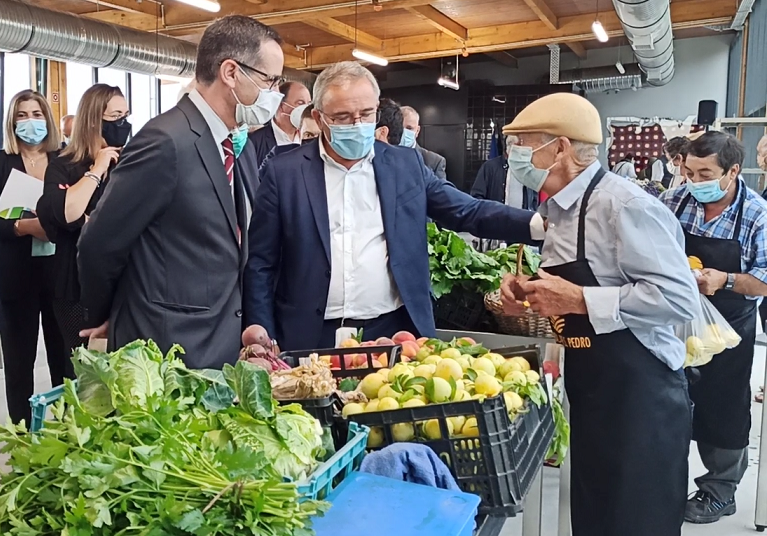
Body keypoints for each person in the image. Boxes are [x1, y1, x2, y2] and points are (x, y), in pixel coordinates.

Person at [500, 92, 699, 536]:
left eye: (523, 144)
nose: (513, 156)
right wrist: (529, 292)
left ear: (561, 147)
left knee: (635, 520)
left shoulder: (625, 205)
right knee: (594, 516)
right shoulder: (557, 209)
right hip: (593, 390)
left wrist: (579, 300)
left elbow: (679, 298)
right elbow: (579, 285)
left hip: (641, 398)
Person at [244, 61, 544, 352]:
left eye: (366, 114)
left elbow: (467, 211)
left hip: (393, 331)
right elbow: (261, 261)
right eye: (343, 117)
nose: (358, 125)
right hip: (310, 334)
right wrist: (260, 330)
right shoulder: (284, 172)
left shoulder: (405, 165)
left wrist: (540, 224)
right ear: (320, 118)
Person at [77, 15, 285, 370]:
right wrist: (115, 312)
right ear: (231, 73)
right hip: (167, 348)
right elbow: (100, 242)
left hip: (218, 343)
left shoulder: (236, 145)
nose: (274, 94)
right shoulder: (165, 141)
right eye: (270, 80)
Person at [659, 131, 767, 524]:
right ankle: (662, 482)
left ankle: (720, 491)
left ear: (732, 171)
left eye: (705, 174)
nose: (695, 182)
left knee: (723, 406)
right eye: (688, 172)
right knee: (667, 399)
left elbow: (765, 277)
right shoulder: (673, 201)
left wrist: (726, 280)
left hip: (728, 326)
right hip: (674, 318)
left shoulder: (756, 213)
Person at [36, 84, 129, 356]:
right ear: (93, 120)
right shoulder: (64, 165)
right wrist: (97, 170)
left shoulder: (130, 163)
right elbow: (68, 214)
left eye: (126, 115)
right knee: (82, 367)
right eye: (115, 117)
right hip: (75, 287)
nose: (123, 124)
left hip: (124, 283)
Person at [0, 90, 67, 424]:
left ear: (48, 120)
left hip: (61, 275)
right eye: (22, 116)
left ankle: (73, 427)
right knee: (18, 361)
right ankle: (23, 433)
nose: (30, 122)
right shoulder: (2, 162)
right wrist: (22, 227)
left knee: (66, 360)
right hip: (15, 277)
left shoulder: (67, 160)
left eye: (37, 114)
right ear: (12, 123)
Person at [248, 80, 311, 168]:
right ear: (280, 106)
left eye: (309, 104)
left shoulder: (311, 139)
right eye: (300, 103)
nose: (306, 109)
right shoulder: (254, 142)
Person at [471, 134, 538, 210]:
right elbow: (477, 196)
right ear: (509, 149)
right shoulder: (490, 167)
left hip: (523, 219)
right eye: (518, 150)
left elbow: (534, 199)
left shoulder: (529, 168)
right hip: (496, 219)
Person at [400, 105, 447, 180]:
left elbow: (440, 190)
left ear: (417, 131)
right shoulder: (382, 156)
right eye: (399, 127)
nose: (403, 132)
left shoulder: (434, 161)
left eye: (409, 128)